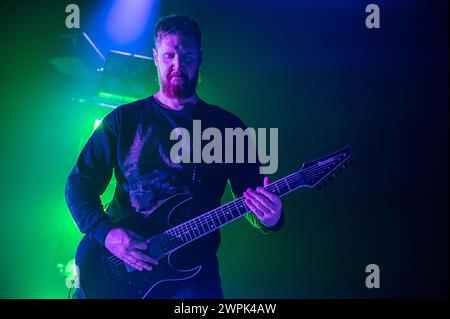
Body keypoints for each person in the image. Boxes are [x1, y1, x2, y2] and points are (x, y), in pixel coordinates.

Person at [65, 15, 284, 299]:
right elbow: (78, 185)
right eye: (169, 56)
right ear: (155, 57)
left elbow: (252, 200)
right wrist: (107, 234)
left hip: (193, 276)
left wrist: (270, 218)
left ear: (200, 58)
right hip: (120, 265)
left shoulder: (228, 128)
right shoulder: (123, 121)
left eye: (187, 56)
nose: (177, 66)